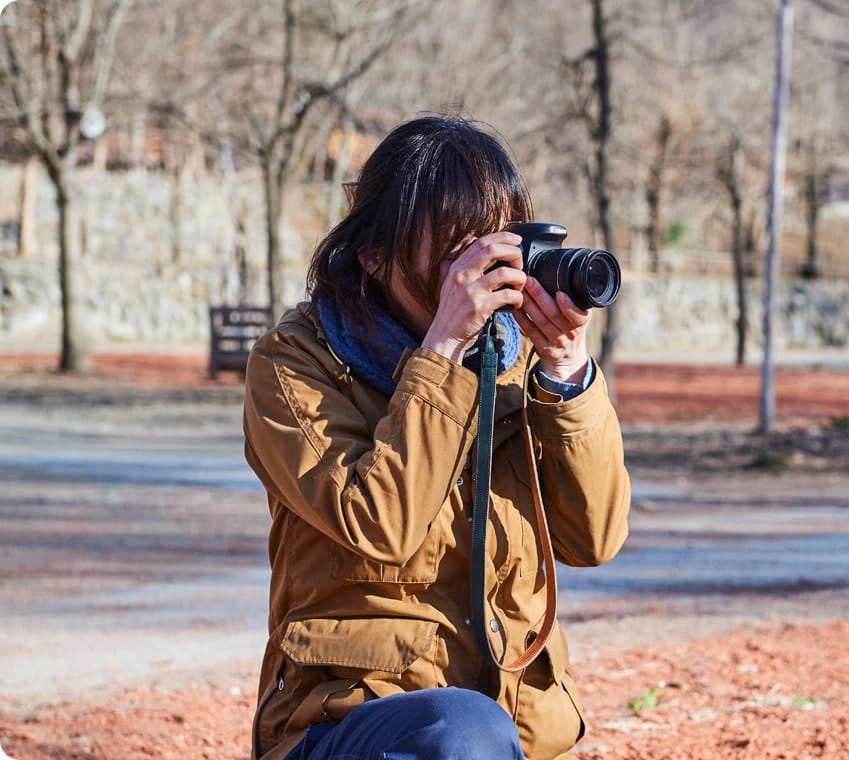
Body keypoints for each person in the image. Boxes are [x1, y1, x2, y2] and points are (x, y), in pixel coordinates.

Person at [241, 114, 632, 760]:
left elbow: (594, 538)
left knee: (474, 733)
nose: (481, 267)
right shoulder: (293, 366)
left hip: (505, 731)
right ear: (373, 254)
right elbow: (380, 525)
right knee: (463, 733)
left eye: (496, 239)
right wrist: (444, 349)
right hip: (347, 722)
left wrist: (567, 376)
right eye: (457, 245)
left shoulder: (516, 357)